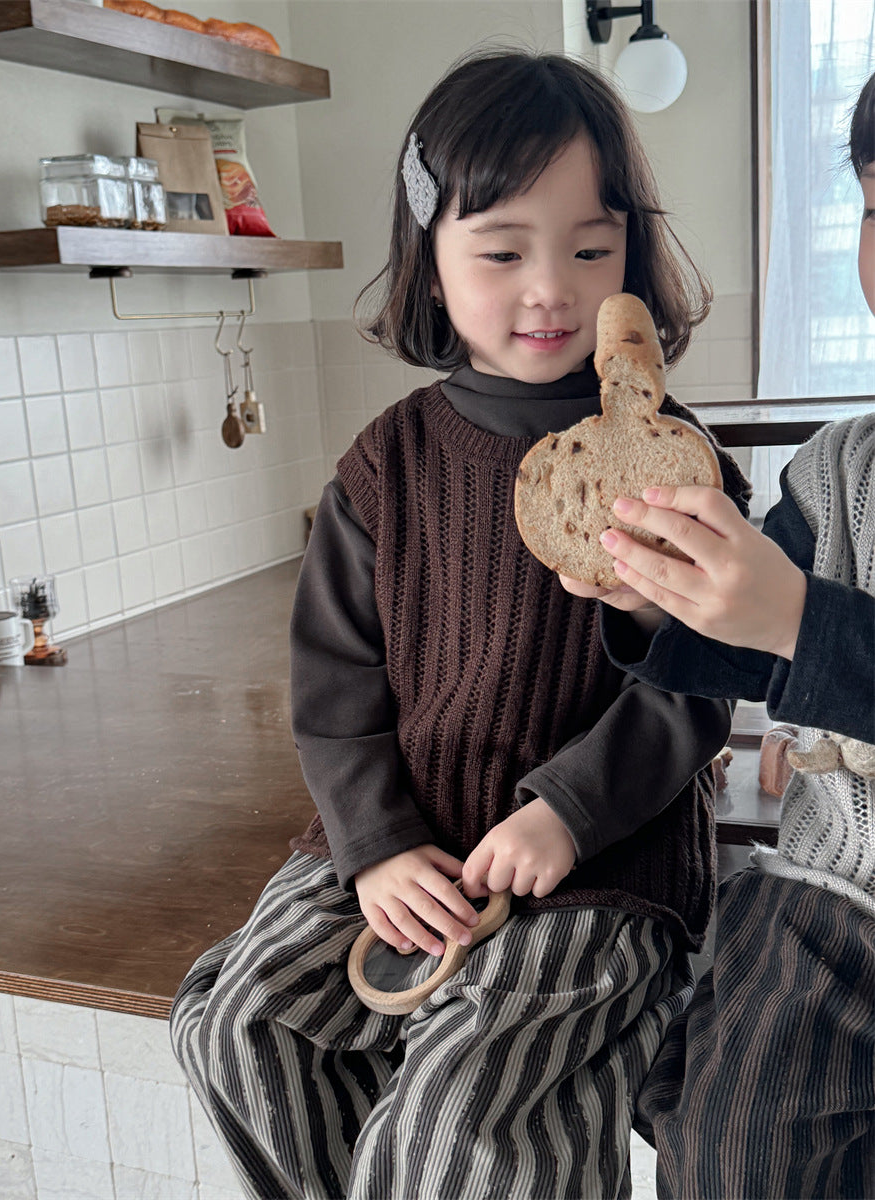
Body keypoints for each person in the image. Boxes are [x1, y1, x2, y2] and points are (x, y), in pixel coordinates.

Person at [170, 49, 750, 1200]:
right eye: (502, 251)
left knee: (461, 1120)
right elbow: (336, 683)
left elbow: (697, 683)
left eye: (593, 249)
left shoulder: (674, 462)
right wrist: (375, 842)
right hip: (399, 845)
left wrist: (568, 816)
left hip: (598, 862)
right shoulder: (387, 464)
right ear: (431, 264)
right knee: (233, 1024)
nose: (553, 289)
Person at [561, 71, 875, 1199]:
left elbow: (793, 627)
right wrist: (657, 598)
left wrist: (797, 618)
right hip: (836, 896)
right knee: (722, 1142)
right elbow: (746, 645)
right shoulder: (838, 467)